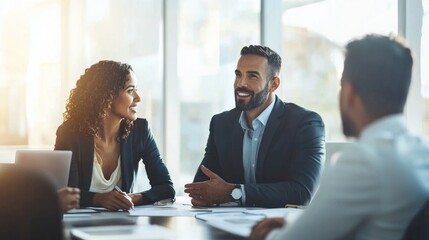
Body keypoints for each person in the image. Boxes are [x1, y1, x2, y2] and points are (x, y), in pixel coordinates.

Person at [250, 34, 429, 239]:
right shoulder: (422, 151)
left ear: (350, 92)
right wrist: (295, 223)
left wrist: (266, 236)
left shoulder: (364, 161)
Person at [184, 45, 325, 208]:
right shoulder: (221, 123)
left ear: (274, 84)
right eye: (238, 75)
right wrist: (204, 194)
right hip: (230, 225)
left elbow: (302, 192)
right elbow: (203, 183)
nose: (241, 83)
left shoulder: (305, 124)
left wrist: (234, 193)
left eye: (252, 76)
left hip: (281, 228)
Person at [55, 60, 175, 211]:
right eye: (130, 91)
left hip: (125, 225)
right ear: (107, 96)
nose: (138, 98)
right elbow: (67, 192)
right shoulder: (70, 134)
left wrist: (132, 198)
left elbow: (166, 188)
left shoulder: (140, 131)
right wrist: (99, 199)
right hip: (80, 225)